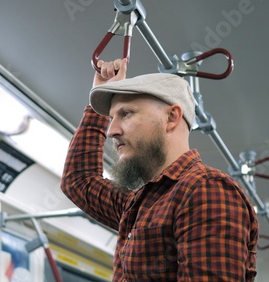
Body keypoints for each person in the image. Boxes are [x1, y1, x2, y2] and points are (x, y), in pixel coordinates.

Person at [60, 58, 258, 281]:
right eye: (111, 118)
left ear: (171, 117)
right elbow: (78, 180)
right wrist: (100, 92)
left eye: (126, 114)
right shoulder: (139, 203)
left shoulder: (205, 189)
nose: (111, 131)